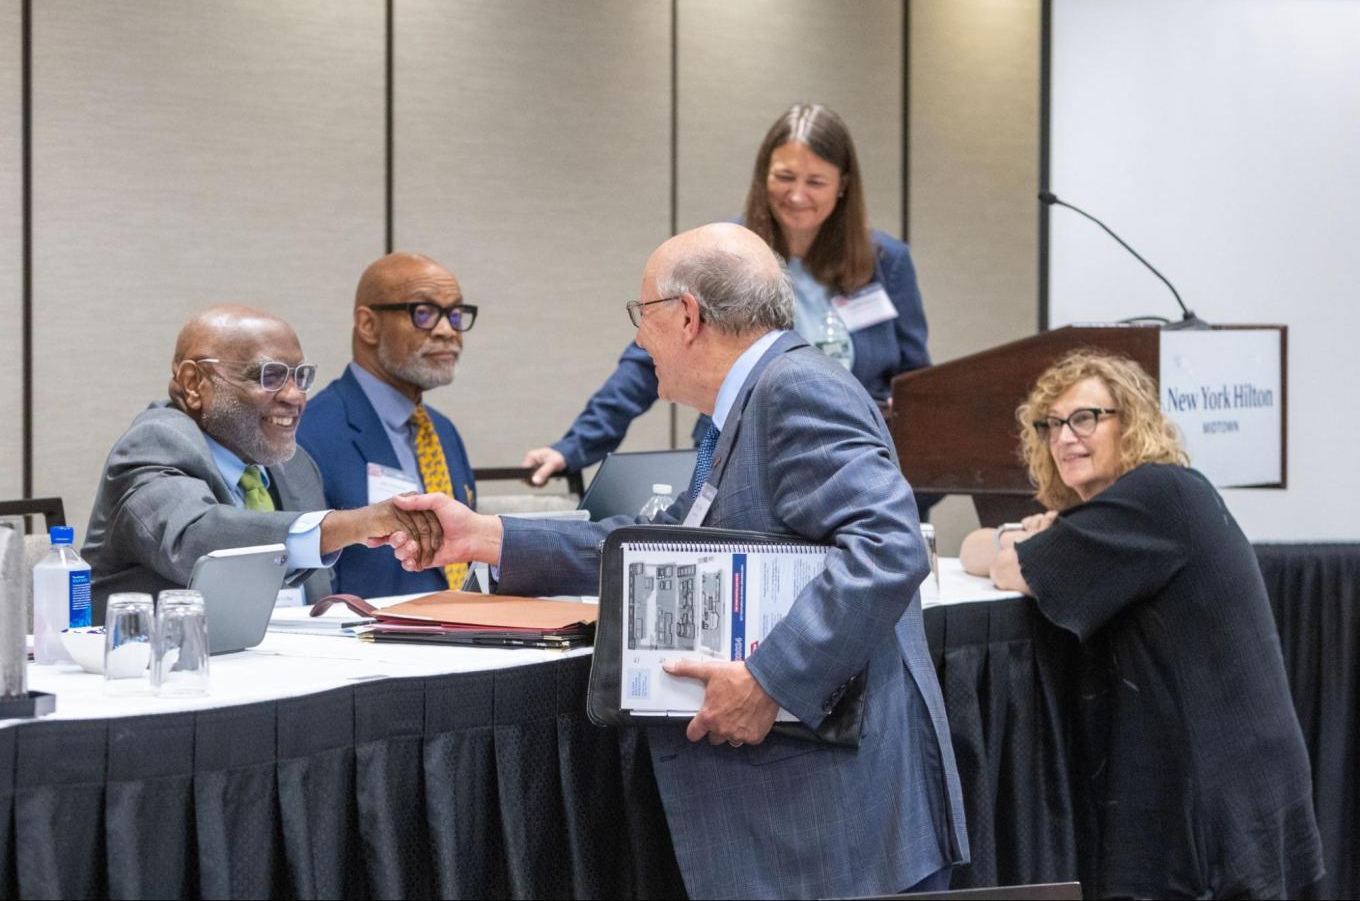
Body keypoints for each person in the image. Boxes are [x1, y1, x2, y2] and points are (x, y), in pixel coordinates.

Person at [380, 224, 968, 900]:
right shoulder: (752, 399)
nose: (638, 341)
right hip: (814, 825)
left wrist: (769, 679)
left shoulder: (794, 390)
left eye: (643, 316)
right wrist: (484, 536)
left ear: (687, 316)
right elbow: (660, 543)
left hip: (838, 830)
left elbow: (888, 547)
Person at [959, 350, 1323, 899]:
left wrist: (1019, 542)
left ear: (1131, 423)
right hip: (1234, 781)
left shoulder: (1155, 495)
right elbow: (971, 547)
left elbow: (1001, 562)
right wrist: (1027, 537)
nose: (1065, 438)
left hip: (1219, 794)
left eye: (1086, 418)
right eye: (1051, 425)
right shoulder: (1134, 510)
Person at [521, 102, 930, 485]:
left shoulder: (885, 261)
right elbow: (650, 358)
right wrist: (573, 447)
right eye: (784, 177)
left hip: (850, 460)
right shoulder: (727, 252)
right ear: (763, 174)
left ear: (843, 185)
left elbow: (917, 385)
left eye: (816, 181)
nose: (797, 195)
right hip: (736, 459)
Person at [82, 305, 443, 622]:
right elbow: (195, 539)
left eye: (300, 377)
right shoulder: (156, 442)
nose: (294, 396)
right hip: (168, 675)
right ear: (194, 383)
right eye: (268, 376)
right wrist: (353, 524)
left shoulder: (296, 466)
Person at [297, 253, 477, 598]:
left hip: (463, 636)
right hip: (361, 642)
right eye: (423, 313)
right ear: (368, 324)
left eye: (455, 315)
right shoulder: (308, 434)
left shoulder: (444, 431)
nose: (446, 330)